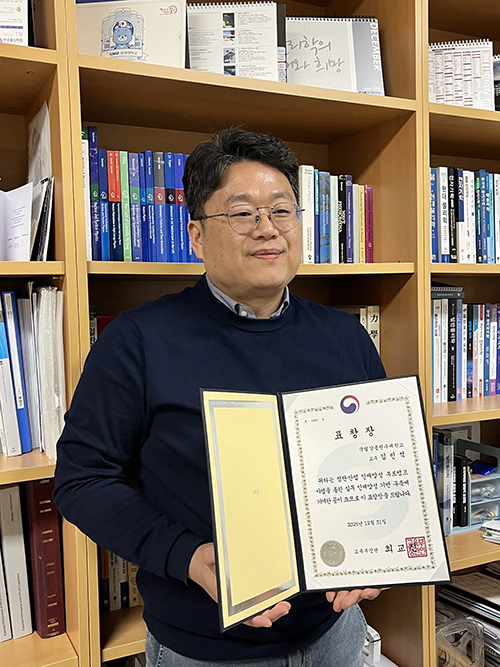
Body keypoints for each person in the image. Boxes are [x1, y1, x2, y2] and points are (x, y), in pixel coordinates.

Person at [54, 127, 385, 667]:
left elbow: (377, 459)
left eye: (282, 211)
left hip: (336, 632)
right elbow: (81, 480)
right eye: (243, 213)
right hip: (203, 646)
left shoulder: (345, 335)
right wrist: (186, 556)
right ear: (197, 236)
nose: (268, 229)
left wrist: (380, 549)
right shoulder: (139, 339)